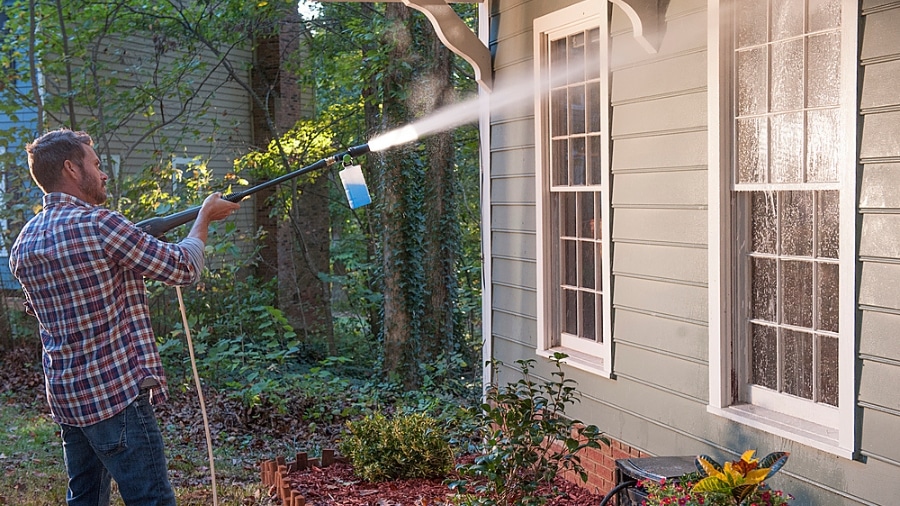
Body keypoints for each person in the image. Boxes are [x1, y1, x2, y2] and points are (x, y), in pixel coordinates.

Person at [9, 128, 240, 505]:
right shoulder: (101, 225)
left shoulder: (25, 241)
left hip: (67, 398)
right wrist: (204, 218)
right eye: (96, 164)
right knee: (150, 499)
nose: (103, 174)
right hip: (115, 397)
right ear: (70, 168)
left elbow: (40, 308)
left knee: (84, 499)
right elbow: (183, 267)